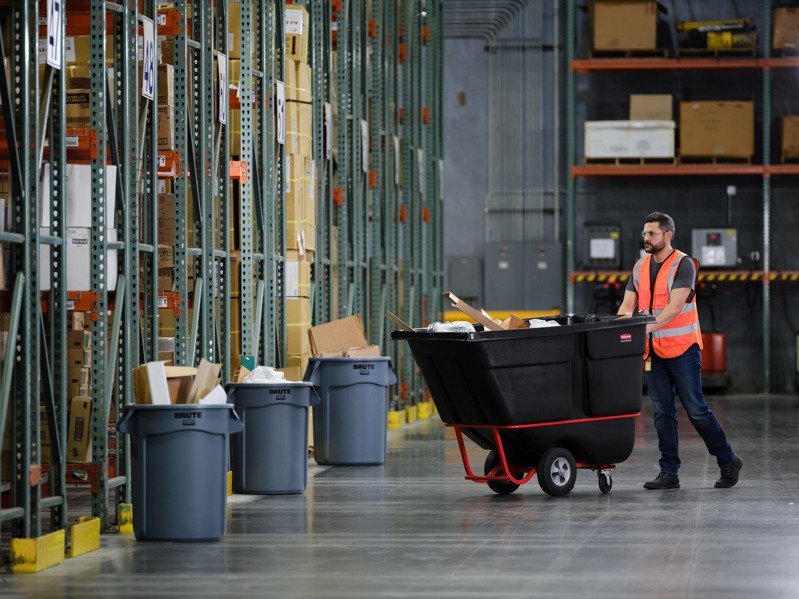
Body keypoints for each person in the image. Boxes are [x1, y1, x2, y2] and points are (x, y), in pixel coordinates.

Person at [617, 211, 742, 490]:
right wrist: (619, 327)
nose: (646, 238)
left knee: (696, 409)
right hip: (653, 353)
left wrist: (643, 329)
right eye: (644, 233)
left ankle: (728, 460)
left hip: (683, 349)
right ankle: (669, 472)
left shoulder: (684, 265)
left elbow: (675, 307)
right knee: (662, 412)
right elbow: (627, 306)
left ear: (668, 235)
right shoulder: (639, 267)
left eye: (652, 233)